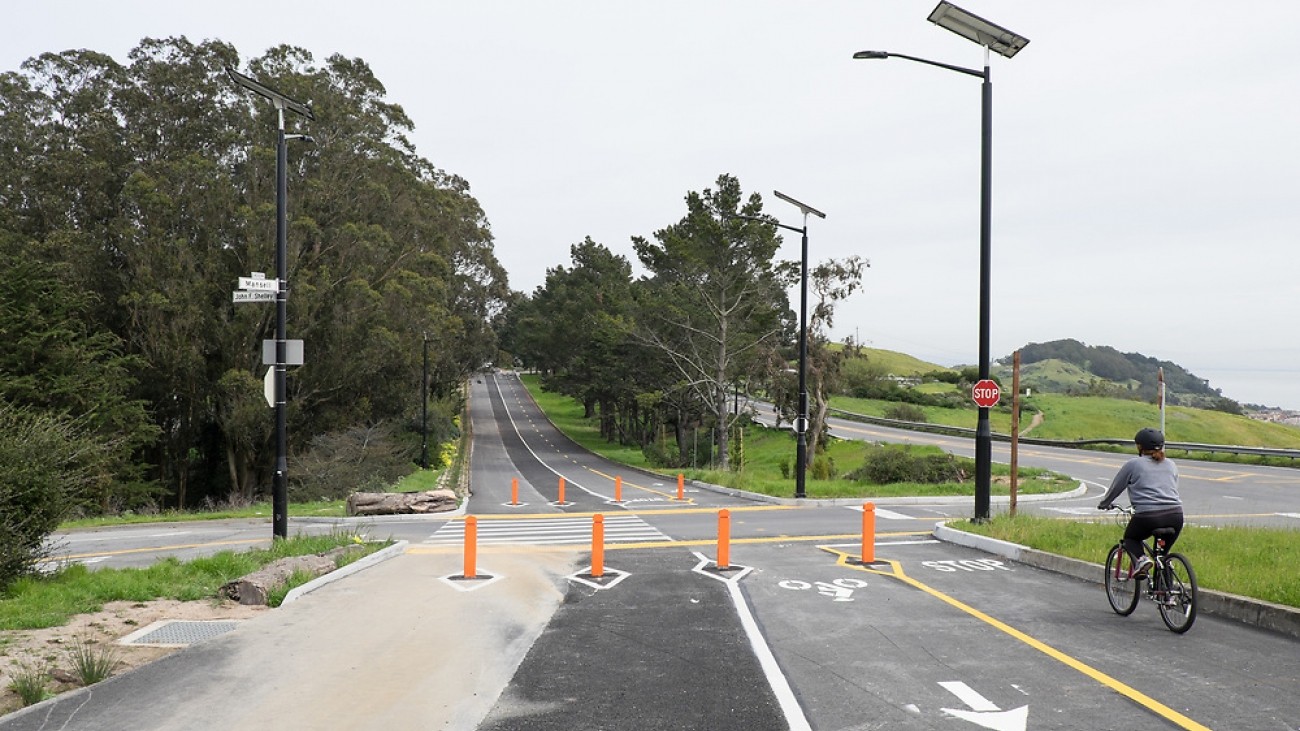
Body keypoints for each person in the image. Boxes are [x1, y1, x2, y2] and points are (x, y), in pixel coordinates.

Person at [1097, 427, 1183, 577]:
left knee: (1130, 539)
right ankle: (1168, 596)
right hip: (1175, 515)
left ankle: (1141, 560)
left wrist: (1104, 503)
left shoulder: (1134, 464)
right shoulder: (1171, 464)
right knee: (1163, 556)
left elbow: (1117, 487)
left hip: (1148, 516)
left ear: (1139, 446)